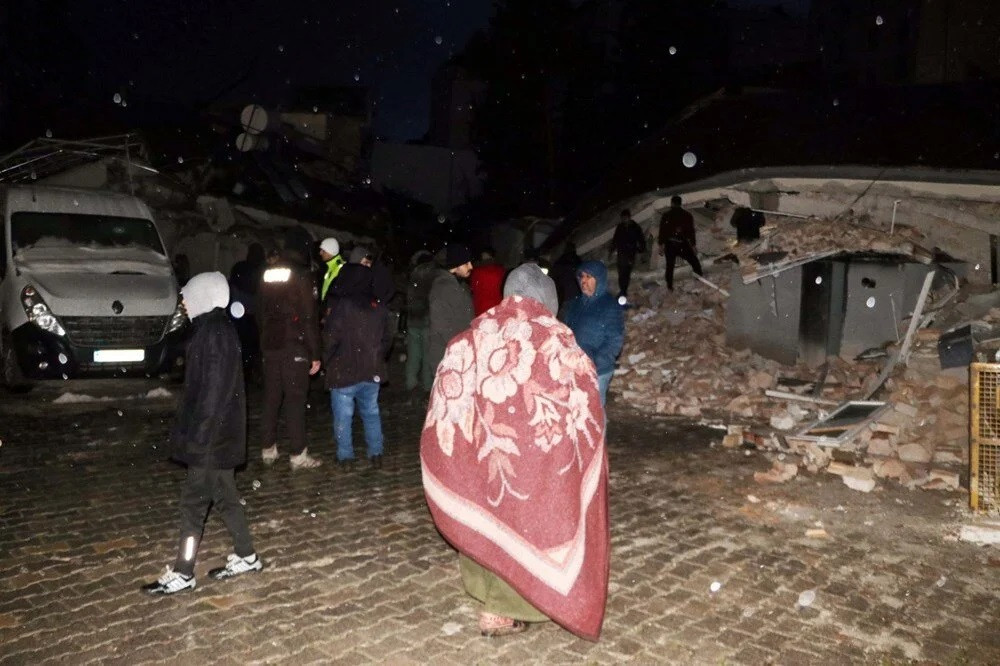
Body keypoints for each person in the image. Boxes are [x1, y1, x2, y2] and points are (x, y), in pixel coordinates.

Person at [420, 262, 609, 639]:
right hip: (536, 464)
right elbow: (586, 401)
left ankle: (486, 593)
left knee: (484, 508)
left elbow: (442, 397)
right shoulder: (556, 340)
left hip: (480, 454)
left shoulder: (467, 338)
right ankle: (507, 608)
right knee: (528, 518)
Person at [141, 272, 262, 595]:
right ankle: (247, 555)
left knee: (193, 505)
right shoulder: (215, 330)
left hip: (211, 438)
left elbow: (212, 393)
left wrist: (200, 436)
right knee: (225, 498)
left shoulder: (214, 334)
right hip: (219, 436)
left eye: (187, 296)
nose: (183, 302)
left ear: (204, 297)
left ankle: (183, 571)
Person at [258, 236, 322, 469]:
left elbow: (260, 310)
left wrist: (264, 338)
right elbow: (308, 317)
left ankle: (268, 448)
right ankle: (298, 453)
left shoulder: (269, 272)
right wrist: (315, 352)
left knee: (272, 397)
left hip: (271, 342)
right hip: (293, 343)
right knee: (295, 399)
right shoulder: (302, 275)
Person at [322, 262, 389, 469]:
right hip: (371, 370)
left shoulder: (342, 306)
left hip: (344, 371)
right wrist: (377, 356)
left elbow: (330, 338)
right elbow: (387, 338)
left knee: (343, 415)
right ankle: (376, 453)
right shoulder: (378, 307)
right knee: (371, 412)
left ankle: (346, 457)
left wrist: (327, 359)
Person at [560, 260, 624, 407]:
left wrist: (594, 363)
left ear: (599, 279)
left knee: (593, 414)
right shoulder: (575, 304)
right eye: (581, 277)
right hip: (574, 367)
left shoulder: (609, 306)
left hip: (597, 371)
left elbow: (614, 341)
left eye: (589, 277)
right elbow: (566, 331)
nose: (584, 281)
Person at [426, 243, 474, 378]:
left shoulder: (460, 286)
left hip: (460, 354)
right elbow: (441, 325)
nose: (471, 266)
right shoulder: (442, 288)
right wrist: (463, 346)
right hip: (446, 357)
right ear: (455, 266)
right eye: (466, 263)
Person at [228, 242, 265, 381]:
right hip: (253, 316)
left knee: (243, 347)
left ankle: (243, 373)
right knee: (252, 347)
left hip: (241, 314)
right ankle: (248, 373)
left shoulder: (240, 268)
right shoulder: (261, 269)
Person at [405, 250, 437, 393]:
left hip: (413, 318)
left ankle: (410, 381)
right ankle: (427, 384)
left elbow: (409, 297)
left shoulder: (413, 275)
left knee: (413, 353)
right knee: (427, 353)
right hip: (427, 319)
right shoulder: (434, 276)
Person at [657, 195, 703, 290]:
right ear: (680, 203)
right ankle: (699, 280)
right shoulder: (687, 215)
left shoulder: (666, 215)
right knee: (694, 262)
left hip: (670, 244)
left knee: (670, 266)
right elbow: (691, 232)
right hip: (682, 244)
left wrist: (661, 245)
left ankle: (670, 287)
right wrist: (693, 246)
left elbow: (662, 231)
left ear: (672, 203)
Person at [609, 209, 646, 298]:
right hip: (621, 253)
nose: (624, 220)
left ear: (629, 217)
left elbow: (641, 239)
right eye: (623, 218)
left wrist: (642, 250)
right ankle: (623, 290)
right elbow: (615, 240)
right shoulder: (620, 227)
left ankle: (624, 291)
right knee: (621, 272)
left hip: (630, 253)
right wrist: (611, 251)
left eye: (626, 218)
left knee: (626, 272)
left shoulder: (635, 227)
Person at [468, 247, 506, 316]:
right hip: (498, 309)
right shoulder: (501, 270)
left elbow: (472, 289)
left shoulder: (477, 272)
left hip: (481, 310)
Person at [551, 241, 582, 311]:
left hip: (565, 296)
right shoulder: (578, 261)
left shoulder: (559, 262)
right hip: (578, 295)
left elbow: (553, 279)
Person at [319, 237, 345, 302]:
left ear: (330, 252)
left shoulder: (341, 268)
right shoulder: (329, 265)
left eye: (323, 251)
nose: (320, 253)